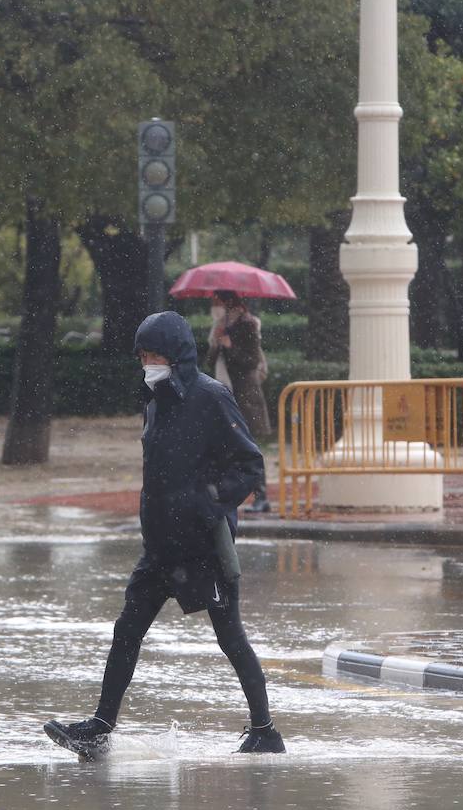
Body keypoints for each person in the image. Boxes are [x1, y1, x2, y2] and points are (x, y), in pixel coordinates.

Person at [45, 310, 286, 755]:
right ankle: (100, 727)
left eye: (155, 354)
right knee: (127, 629)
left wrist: (208, 500)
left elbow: (250, 466)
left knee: (230, 637)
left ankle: (265, 731)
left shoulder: (212, 398)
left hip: (203, 547)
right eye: (143, 355)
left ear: (176, 355)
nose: (148, 363)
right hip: (159, 548)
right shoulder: (154, 403)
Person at [206, 291, 272, 512]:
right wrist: (217, 343)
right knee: (225, 448)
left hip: (245, 395)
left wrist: (230, 346)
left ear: (228, 302)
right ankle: (229, 495)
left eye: (217, 302)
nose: (214, 308)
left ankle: (261, 497)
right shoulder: (220, 326)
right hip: (225, 394)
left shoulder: (248, 324)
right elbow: (209, 362)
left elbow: (251, 360)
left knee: (250, 448)